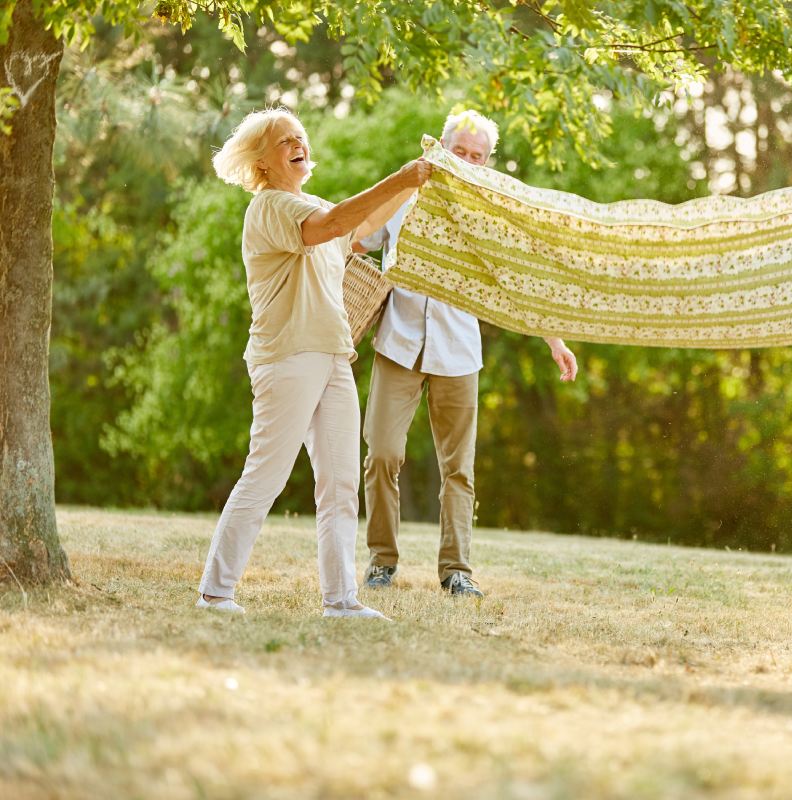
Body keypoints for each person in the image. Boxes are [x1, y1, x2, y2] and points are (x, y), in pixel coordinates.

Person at [198, 106, 430, 618]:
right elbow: (334, 224)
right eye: (285, 141)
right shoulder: (271, 207)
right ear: (262, 161)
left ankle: (341, 600)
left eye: (300, 136)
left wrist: (416, 179)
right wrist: (401, 177)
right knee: (267, 474)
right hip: (288, 356)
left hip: (331, 355)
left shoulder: (311, 204)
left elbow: (361, 223)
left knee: (341, 483)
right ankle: (215, 592)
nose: (298, 143)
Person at [357, 110, 578, 596]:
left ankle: (456, 571)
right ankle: (381, 561)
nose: (468, 162)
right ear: (441, 146)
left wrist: (555, 339)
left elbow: (520, 285)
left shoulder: (490, 220)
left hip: (458, 353)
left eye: (477, 156)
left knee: (459, 469)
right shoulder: (405, 195)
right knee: (382, 455)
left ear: (487, 163)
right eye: (460, 151)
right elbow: (356, 238)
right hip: (398, 343)